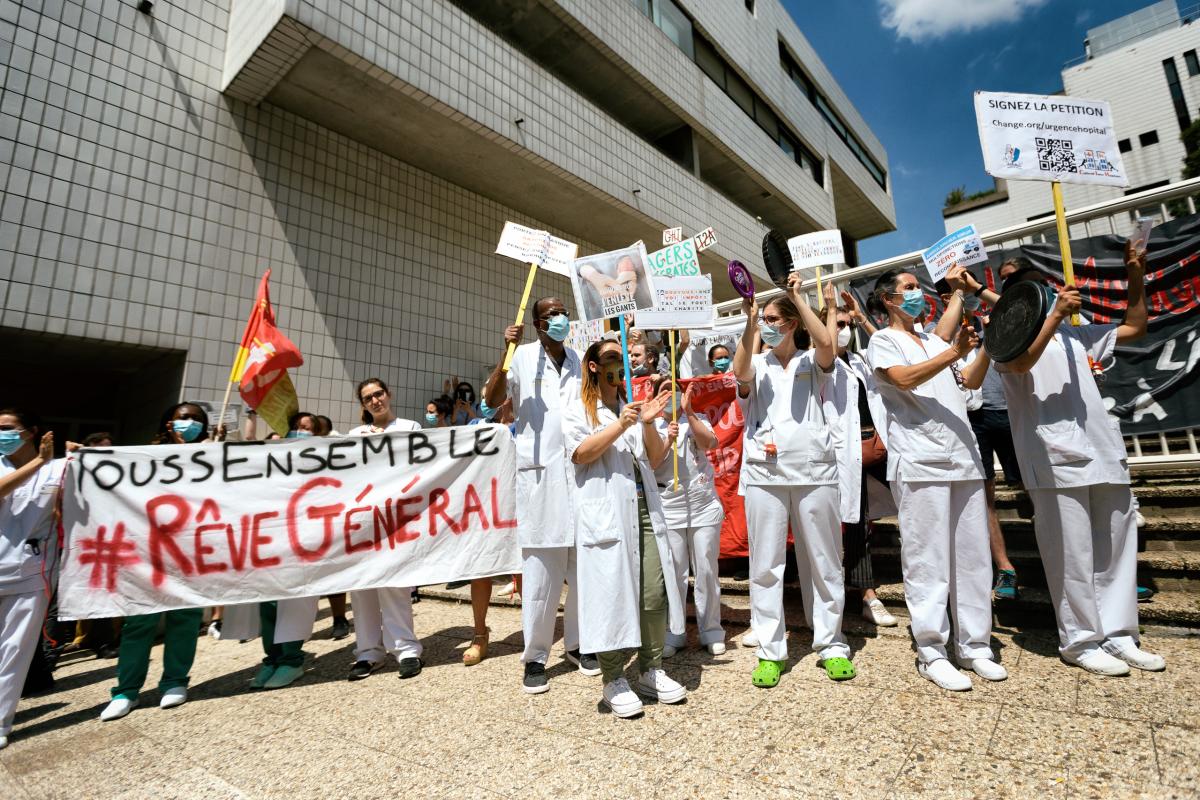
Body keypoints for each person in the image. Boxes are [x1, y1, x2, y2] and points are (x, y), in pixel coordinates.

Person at [993, 246, 1164, 675]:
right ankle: (1080, 641)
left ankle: (1119, 634)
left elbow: (1136, 327)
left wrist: (1135, 275)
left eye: (1049, 288)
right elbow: (1020, 364)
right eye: (1039, 290)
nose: (1051, 294)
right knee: (1071, 553)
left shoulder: (1078, 334)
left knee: (1116, 545)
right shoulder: (1008, 338)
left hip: (1101, 450)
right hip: (1053, 458)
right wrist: (1053, 316)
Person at [866, 269, 1004, 691]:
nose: (917, 293)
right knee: (927, 559)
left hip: (963, 457)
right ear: (888, 299)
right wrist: (953, 351)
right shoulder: (882, 340)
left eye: (917, 287)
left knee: (972, 557)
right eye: (908, 288)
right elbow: (903, 378)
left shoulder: (935, 342)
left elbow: (968, 376)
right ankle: (932, 651)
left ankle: (974, 645)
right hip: (920, 460)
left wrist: (984, 339)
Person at [733, 274, 854, 688]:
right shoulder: (757, 364)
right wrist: (749, 323)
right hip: (764, 474)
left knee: (823, 560)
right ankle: (770, 651)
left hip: (815, 472)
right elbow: (740, 371)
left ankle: (831, 644)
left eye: (773, 319)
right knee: (765, 564)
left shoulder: (811, 361)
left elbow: (827, 344)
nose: (767, 325)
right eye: (763, 319)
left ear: (791, 323)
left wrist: (797, 297)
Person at [565, 338, 685, 718]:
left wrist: (647, 423)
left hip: (644, 509)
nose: (619, 361)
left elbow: (655, 457)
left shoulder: (630, 406)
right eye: (611, 357)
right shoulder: (578, 407)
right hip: (607, 514)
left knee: (653, 593)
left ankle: (651, 669)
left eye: (622, 356)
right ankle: (613, 677)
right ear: (594, 366)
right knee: (610, 595)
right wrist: (621, 424)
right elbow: (581, 454)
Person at [483, 297, 595, 693]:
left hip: (580, 475)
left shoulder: (579, 359)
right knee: (540, 578)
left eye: (564, 313)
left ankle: (579, 645)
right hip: (540, 479)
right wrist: (505, 354)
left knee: (582, 569)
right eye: (552, 314)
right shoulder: (522, 357)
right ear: (537, 323)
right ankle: (535, 657)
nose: (561, 319)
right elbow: (491, 400)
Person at [101, 403, 220, 721]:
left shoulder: (211, 457)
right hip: (148, 552)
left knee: (185, 619)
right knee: (139, 622)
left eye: (197, 419)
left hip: (191, 552)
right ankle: (126, 691)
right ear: (169, 424)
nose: (190, 423)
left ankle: (175, 681)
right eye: (184, 418)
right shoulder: (145, 457)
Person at [942, 266, 1023, 601]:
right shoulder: (938, 335)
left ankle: (1081, 563)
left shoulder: (998, 318)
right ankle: (1005, 568)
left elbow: (1024, 313)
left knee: (1039, 488)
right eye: (955, 290)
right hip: (973, 419)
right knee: (984, 496)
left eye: (969, 288)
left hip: (1014, 412)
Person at [822, 287, 897, 628]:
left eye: (847, 324)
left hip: (877, 445)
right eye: (837, 324)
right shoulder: (816, 365)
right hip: (843, 452)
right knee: (855, 521)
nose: (844, 330)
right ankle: (867, 595)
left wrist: (861, 317)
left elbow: (885, 344)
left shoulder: (860, 360)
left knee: (914, 501)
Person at [344, 379, 424, 681]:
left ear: (389, 394)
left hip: (395, 520)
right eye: (368, 398)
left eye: (378, 394)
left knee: (394, 586)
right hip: (362, 520)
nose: (375, 400)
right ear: (363, 405)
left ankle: (406, 650)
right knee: (362, 588)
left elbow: (419, 467)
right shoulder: (355, 435)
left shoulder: (410, 427)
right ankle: (368, 652)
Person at [0, 410, 66, 749]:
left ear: (31, 431)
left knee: (15, 648)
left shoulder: (60, 468)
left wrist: (83, 457)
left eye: (7, 428)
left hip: (31, 570)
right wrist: (39, 462)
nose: (1, 434)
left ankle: (0, 721)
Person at [650, 382, 726, 657]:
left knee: (706, 569)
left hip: (702, 505)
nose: (672, 395)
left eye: (675, 389)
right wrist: (666, 438)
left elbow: (710, 443)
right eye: (664, 390)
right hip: (669, 508)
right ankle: (675, 632)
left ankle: (711, 630)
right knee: (674, 573)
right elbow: (652, 462)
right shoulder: (651, 425)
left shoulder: (698, 418)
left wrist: (690, 413)